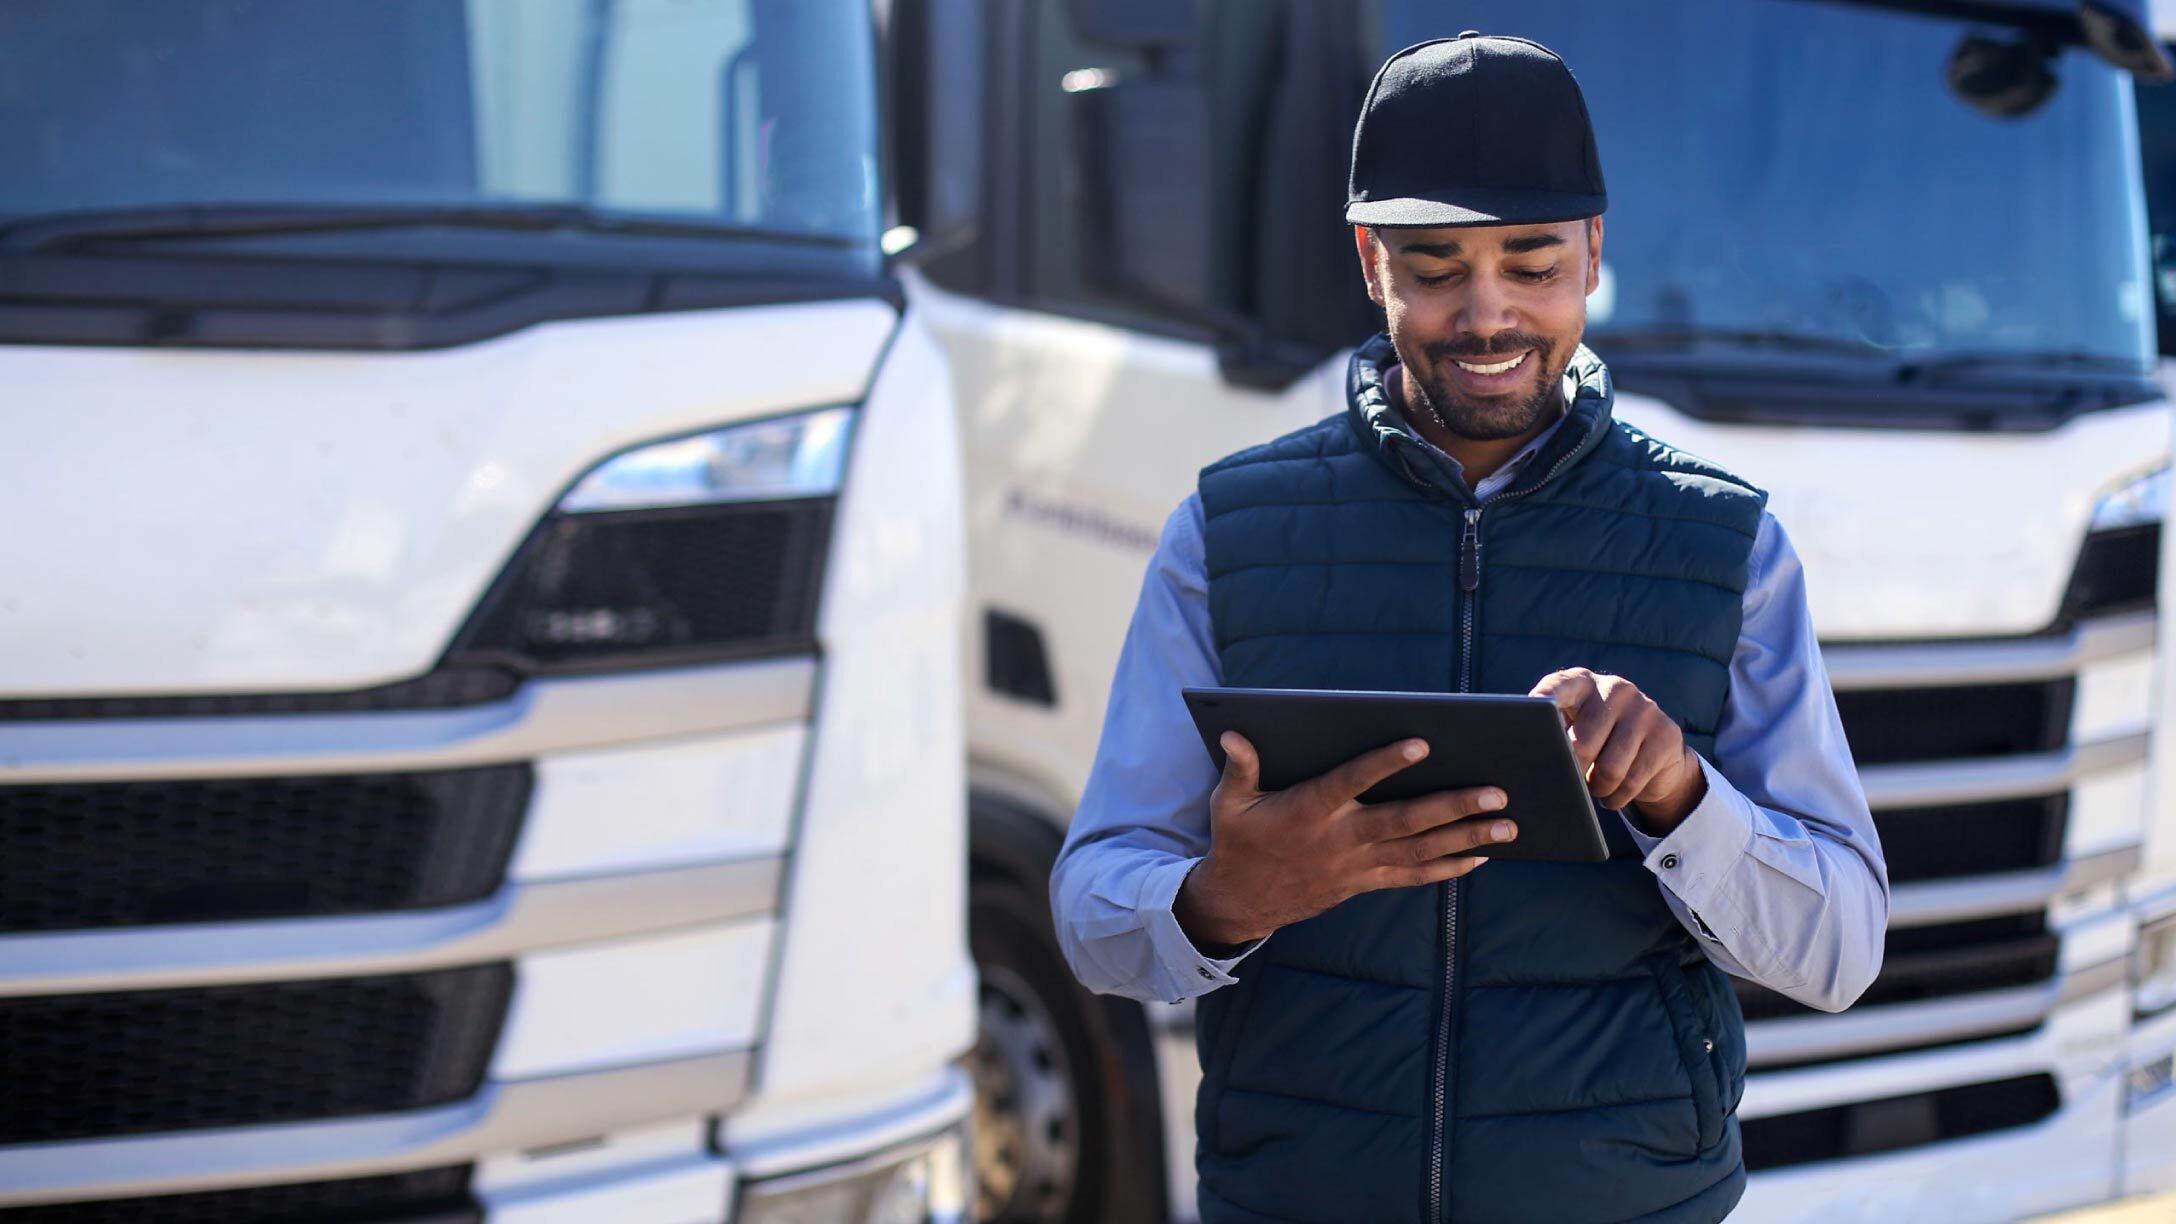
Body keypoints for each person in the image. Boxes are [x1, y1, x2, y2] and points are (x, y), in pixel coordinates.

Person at [1049, 32, 1889, 1224]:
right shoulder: (1224, 532)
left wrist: (1682, 801)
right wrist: (1225, 900)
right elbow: (1094, 911)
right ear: (1367, 261)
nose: (1485, 315)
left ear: (1593, 256)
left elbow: (1841, 949)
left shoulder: (1728, 549)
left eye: (1532, 264)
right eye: (1435, 268)